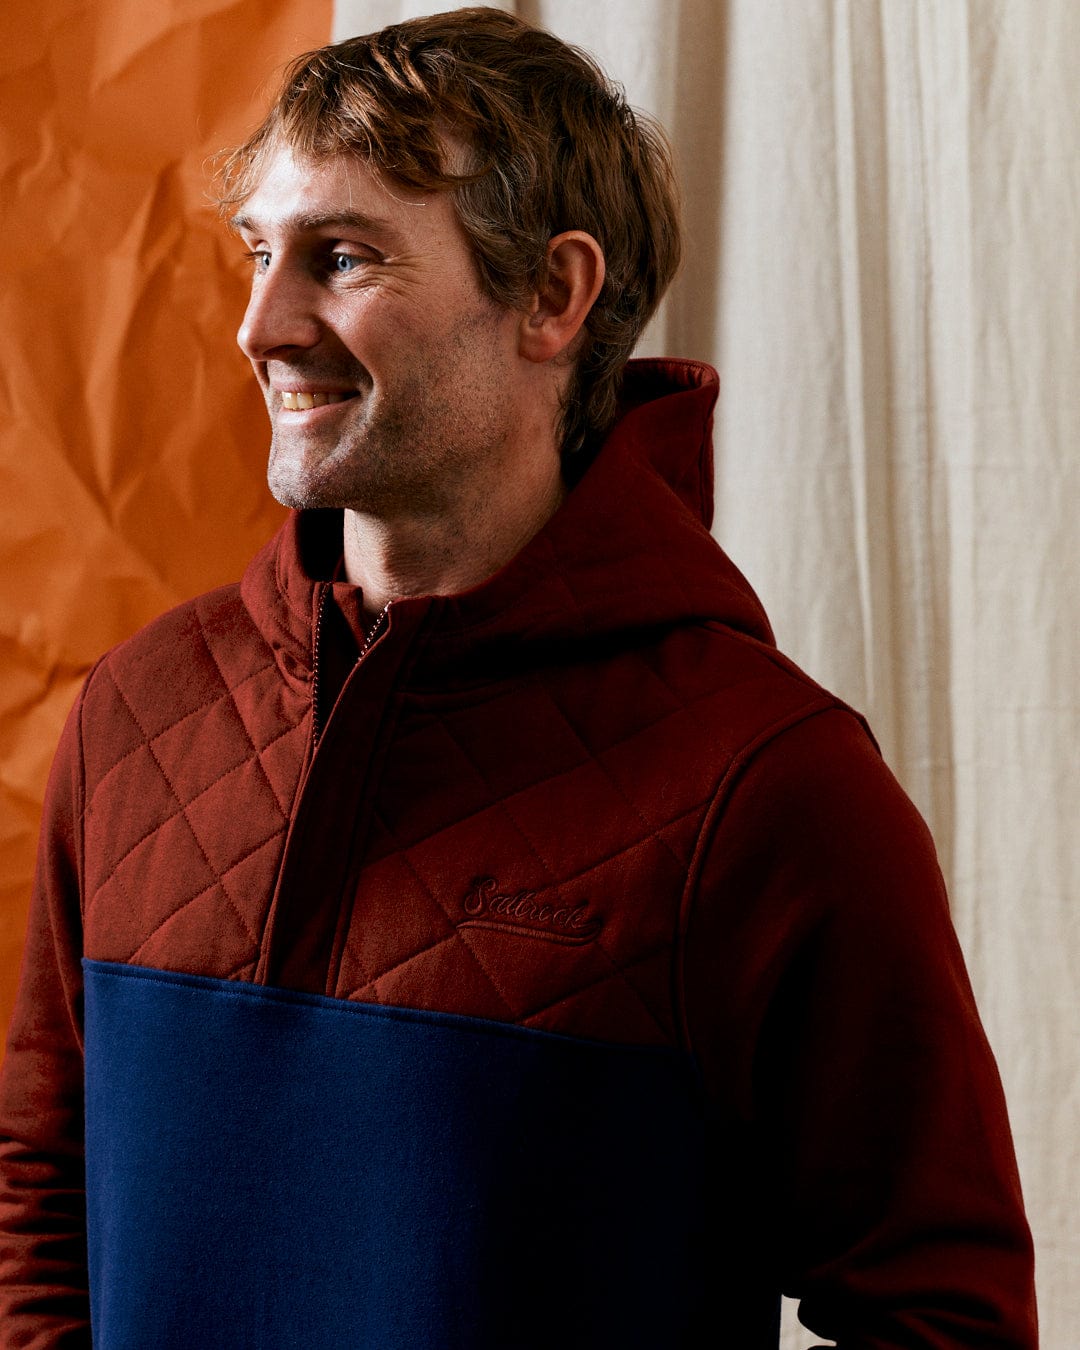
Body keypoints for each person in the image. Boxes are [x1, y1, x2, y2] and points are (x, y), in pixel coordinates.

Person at [0, 8, 1037, 1348]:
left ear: (553, 295)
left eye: (343, 255)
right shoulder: (138, 709)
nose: (261, 322)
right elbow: (40, 1192)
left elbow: (938, 1310)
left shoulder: (770, 785)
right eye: (259, 253)